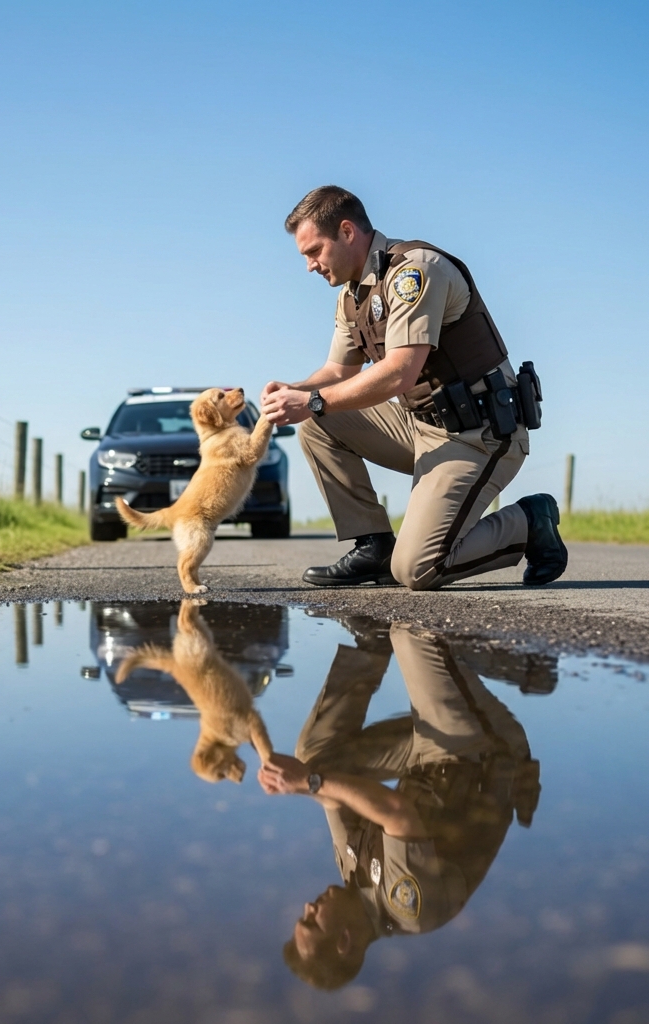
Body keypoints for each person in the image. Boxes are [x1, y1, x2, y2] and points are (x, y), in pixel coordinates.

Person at [260, 185, 567, 589]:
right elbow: (338, 372)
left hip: (479, 434)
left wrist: (312, 400)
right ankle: (373, 547)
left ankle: (529, 522)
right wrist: (295, 389)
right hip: (419, 426)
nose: (310, 266)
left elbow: (399, 372)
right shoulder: (352, 296)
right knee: (318, 423)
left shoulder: (414, 271)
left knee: (417, 570)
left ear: (348, 232)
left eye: (314, 251)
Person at [257, 620, 542, 989]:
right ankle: (530, 668)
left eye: (303, 916)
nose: (307, 907)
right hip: (478, 750)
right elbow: (395, 813)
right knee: (412, 632)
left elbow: (328, 796)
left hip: (423, 759)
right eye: (312, 921)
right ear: (344, 940)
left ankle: (370, 644)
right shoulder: (408, 909)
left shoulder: (352, 876)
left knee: (313, 761)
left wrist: (293, 782)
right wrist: (309, 784)